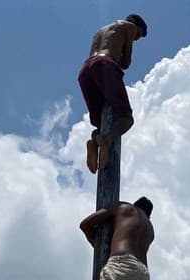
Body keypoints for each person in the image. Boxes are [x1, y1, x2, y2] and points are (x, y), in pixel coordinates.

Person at [78, 14, 148, 173]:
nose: (135, 39)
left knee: (100, 124)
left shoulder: (100, 31)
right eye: (137, 36)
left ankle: (94, 142)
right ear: (135, 25)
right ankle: (107, 141)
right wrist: (126, 45)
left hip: (86, 70)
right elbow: (126, 63)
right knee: (126, 118)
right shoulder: (128, 27)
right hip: (105, 65)